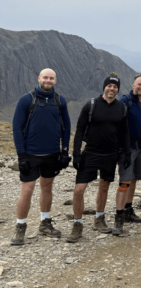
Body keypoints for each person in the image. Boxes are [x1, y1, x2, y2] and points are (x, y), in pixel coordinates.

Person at [11, 68, 71, 245]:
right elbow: (16, 128)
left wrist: (64, 151)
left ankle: (45, 222)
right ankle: (20, 226)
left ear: (55, 80)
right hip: (30, 155)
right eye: (45, 77)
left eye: (51, 78)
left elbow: (66, 128)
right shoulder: (26, 100)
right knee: (27, 190)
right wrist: (21, 155)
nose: (48, 80)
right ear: (39, 78)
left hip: (52, 154)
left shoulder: (60, 101)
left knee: (47, 188)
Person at [67, 72, 130, 242]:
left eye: (115, 86)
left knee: (104, 187)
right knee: (79, 189)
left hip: (111, 154)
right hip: (91, 153)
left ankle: (99, 218)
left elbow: (124, 132)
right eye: (109, 86)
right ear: (104, 87)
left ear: (118, 89)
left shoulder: (122, 108)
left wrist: (126, 153)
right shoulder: (91, 105)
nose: (112, 89)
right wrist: (77, 154)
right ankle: (77, 223)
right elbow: (79, 130)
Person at [112, 73, 141, 236]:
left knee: (134, 179)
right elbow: (117, 126)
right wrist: (120, 150)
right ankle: (118, 217)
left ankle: (128, 211)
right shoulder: (125, 102)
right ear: (133, 85)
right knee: (125, 181)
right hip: (128, 148)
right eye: (139, 84)